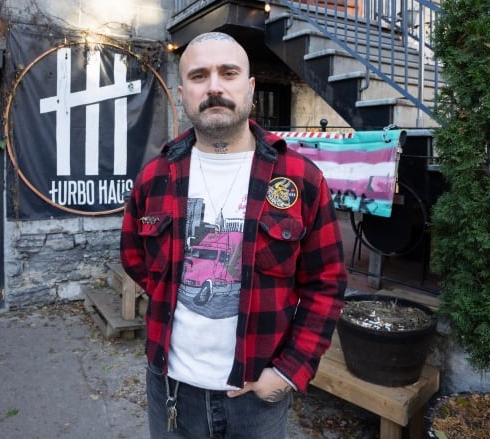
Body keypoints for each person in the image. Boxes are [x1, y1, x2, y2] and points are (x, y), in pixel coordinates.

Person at [120, 31, 347, 438]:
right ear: (182, 91)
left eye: (228, 73)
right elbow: (135, 258)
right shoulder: (154, 177)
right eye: (199, 75)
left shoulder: (300, 180)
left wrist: (288, 371)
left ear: (250, 87)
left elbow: (326, 284)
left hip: (257, 399)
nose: (214, 87)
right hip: (169, 387)